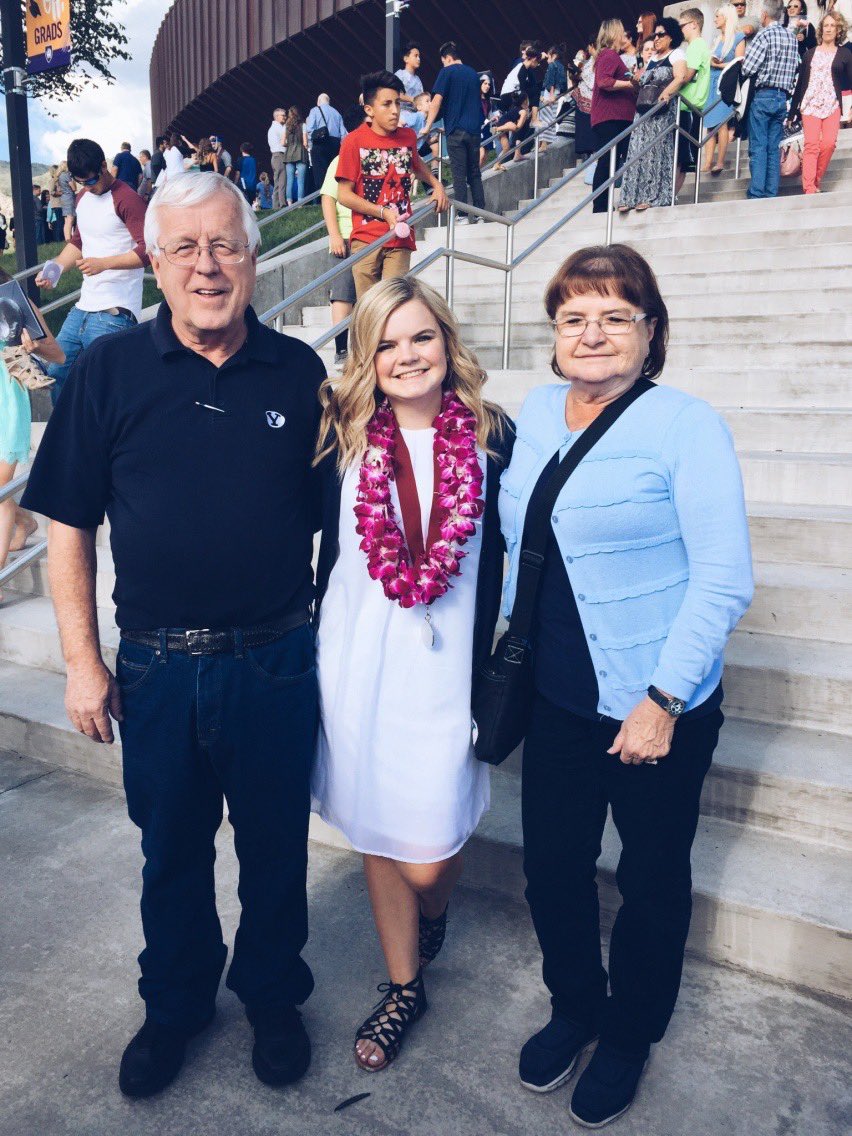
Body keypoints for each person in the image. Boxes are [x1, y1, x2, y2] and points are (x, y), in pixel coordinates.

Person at [21, 172, 326, 1099]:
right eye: (184, 247)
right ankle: (178, 1004)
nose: (206, 265)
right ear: (152, 262)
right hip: (155, 668)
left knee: (277, 849)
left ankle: (273, 994)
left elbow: (343, 523)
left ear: (255, 255)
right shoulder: (106, 373)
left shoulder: (300, 374)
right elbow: (66, 524)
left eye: (225, 244)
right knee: (172, 854)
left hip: (276, 661)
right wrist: (83, 662)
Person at [501, 243, 753, 1128]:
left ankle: (629, 1032)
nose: (593, 333)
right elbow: (513, 536)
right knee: (552, 867)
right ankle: (576, 1004)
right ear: (555, 335)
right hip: (559, 696)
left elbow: (723, 577)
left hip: (657, 700)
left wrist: (663, 700)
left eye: (615, 315)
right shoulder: (533, 412)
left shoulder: (687, 425)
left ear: (652, 330)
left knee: (651, 879)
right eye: (574, 317)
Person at [312, 275, 513, 1072]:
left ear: (447, 341)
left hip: (447, 675)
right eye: (385, 342)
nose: (406, 355)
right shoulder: (344, 437)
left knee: (428, 855)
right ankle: (404, 985)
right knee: (375, 825)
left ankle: (430, 916)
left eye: (420, 336)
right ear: (366, 356)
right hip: (358, 665)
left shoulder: (495, 437)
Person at [34, 138, 148, 405]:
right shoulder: (83, 197)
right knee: (58, 373)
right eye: (81, 182)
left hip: (116, 311)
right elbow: (79, 241)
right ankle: (66, 439)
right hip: (84, 306)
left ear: (104, 166)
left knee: (107, 389)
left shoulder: (128, 200)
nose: (88, 186)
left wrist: (103, 264)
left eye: (92, 180)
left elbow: (148, 251)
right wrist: (56, 268)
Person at [336, 70, 448, 298]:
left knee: (393, 303)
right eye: (386, 104)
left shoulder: (407, 137)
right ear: (369, 110)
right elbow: (344, 195)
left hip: (400, 234)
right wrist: (381, 211)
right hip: (366, 237)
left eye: (397, 102)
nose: (395, 110)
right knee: (370, 309)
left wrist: (437, 185)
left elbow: (416, 165)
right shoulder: (353, 141)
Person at [0, 269, 65, 605]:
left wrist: (34, 345)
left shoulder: (12, 298)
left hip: (6, 400)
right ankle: (23, 522)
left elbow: (58, 355)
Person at [619, 17, 687, 212]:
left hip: (661, 112)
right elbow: (644, 85)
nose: (656, 38)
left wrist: (667, 92)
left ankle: (653, 196)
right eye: (655, 34)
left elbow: (680, 76)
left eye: (661, 34)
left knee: (656, 153)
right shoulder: (652, 59)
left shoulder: (676, 54)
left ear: (671, 36)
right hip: (643, 113)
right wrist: (634, 81)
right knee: (637, 152)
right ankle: (631, 196)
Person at [420, 42, 486, 221]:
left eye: (443, 61)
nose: (443, 64)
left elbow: (436, 100)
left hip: (456, 130)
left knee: (459, 173)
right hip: (473, 131)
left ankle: (463, 215)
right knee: (474, 173)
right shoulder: (473, 74)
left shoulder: (446, 72)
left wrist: (427, 126)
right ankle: (481, 214)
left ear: (448, 58)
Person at [741, 0, 800, 197]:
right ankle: (771, 192)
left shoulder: (764, 35)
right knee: (773, 148)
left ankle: (757, 193)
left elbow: (748, 68)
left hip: (764, 95)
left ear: (765, 15)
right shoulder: (791, 37)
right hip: (781, 97)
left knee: (758, 146)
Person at [789, 9, 852, 190]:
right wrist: (793, 111)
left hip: (832, 105)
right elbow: (801, 84)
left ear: (838, 30)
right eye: (826, 25)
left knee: (829, 144)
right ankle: (809, 188)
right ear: (821, 29)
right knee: (811, 146)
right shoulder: (810, 54)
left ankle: (814, 179)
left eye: (833, 26)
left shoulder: (845, 55)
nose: (829, 29)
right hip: (810, 105)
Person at [591, 20, 638, 213]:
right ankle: (601, 206)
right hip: (612, 117)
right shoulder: (609, 55)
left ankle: (603, 204)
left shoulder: (606, 55)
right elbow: (604, 82)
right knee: (608, 162)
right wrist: (630, 83)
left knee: (610, 161)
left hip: (614, 117)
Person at [320, 154, 356, 368]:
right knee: (342, 295)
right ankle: (341, 350)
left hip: (372, 235)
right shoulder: (342, 159)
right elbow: (327, 197)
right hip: (345, 235)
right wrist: (334, 235)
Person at [704, 5, 747, 174]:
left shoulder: (738, 37)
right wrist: (711, 62)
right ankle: (707, 162)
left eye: (718, 16)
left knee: (722, 122)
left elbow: (739, 62)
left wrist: (718, 64)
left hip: (726, 83)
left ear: (727, 17)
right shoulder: (717, 38)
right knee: (709, 123)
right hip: (712, 81)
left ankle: (720, 161)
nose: (715, 20)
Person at [676, 9, 712, 176]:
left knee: (682, 160)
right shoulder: (697, 45)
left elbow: (687, 75)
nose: (680, 29)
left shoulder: (696, 45)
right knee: (683, 160)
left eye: (682, 25)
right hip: (691, 105)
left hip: (688, 105)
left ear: (694, 24)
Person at [306, 94, 348, 191]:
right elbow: (343, 134)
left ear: (318, 101)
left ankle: (322, 196)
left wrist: (311, 145)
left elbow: (310, 129)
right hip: (335, 144)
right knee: (333, 170)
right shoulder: (337, 113)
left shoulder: (315, 110)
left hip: (320, 143)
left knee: (320, 172)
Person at [539, 45, 568, 149]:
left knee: (545, 118)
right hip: (558, 94)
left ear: (554, 55)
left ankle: (544, 144)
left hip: (551, 94)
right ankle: (547, 142)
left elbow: (551, 81)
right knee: (552, 118)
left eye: (548, 56)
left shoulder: (552, 65)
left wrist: (551, 95)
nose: (547, 59)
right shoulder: (561, 65)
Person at [574, 43, 597, 158]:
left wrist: (581, 74)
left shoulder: (598, 60)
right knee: (584, 130)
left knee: (591, 129)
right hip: (583, 99)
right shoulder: (590, 61)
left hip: (594, 99)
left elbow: (592, 80)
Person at [283, 108, 308, 205]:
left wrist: (289, 144)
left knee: (289, 180)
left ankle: (289, 203)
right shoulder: (303, 125)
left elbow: (282, 142)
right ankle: (300, 203)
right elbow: (305, 142)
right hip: (300, 153)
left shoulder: (286, 126)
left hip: (289, 154)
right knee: (300, 181)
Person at [395, 43, 425, 127]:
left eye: (419, 56)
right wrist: (413, 99)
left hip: (415, 115)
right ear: (406, 59)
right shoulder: (400, 74)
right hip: (402, 114)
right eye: (415, 56)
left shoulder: (418, 80)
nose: (418, 59)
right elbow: (395, 94)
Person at [267, 108, 287, 209]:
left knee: (279, 181)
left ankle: (278, 204)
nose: (285, 117)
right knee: (280, 181)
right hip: (279, 155)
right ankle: (280, 204)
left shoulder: (275, 128)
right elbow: (283, 143)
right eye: (283, 115)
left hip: (276, 156)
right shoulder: (278, 128)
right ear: (276, 116)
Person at [57, 159, 76, 241]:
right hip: (69, 197)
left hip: (63, 198)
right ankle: (68, 239)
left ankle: (67, 238)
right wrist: (73, 180)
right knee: (70, 218)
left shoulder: (59, 176)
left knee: (66, 219)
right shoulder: (66, 175)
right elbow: (74, 188)